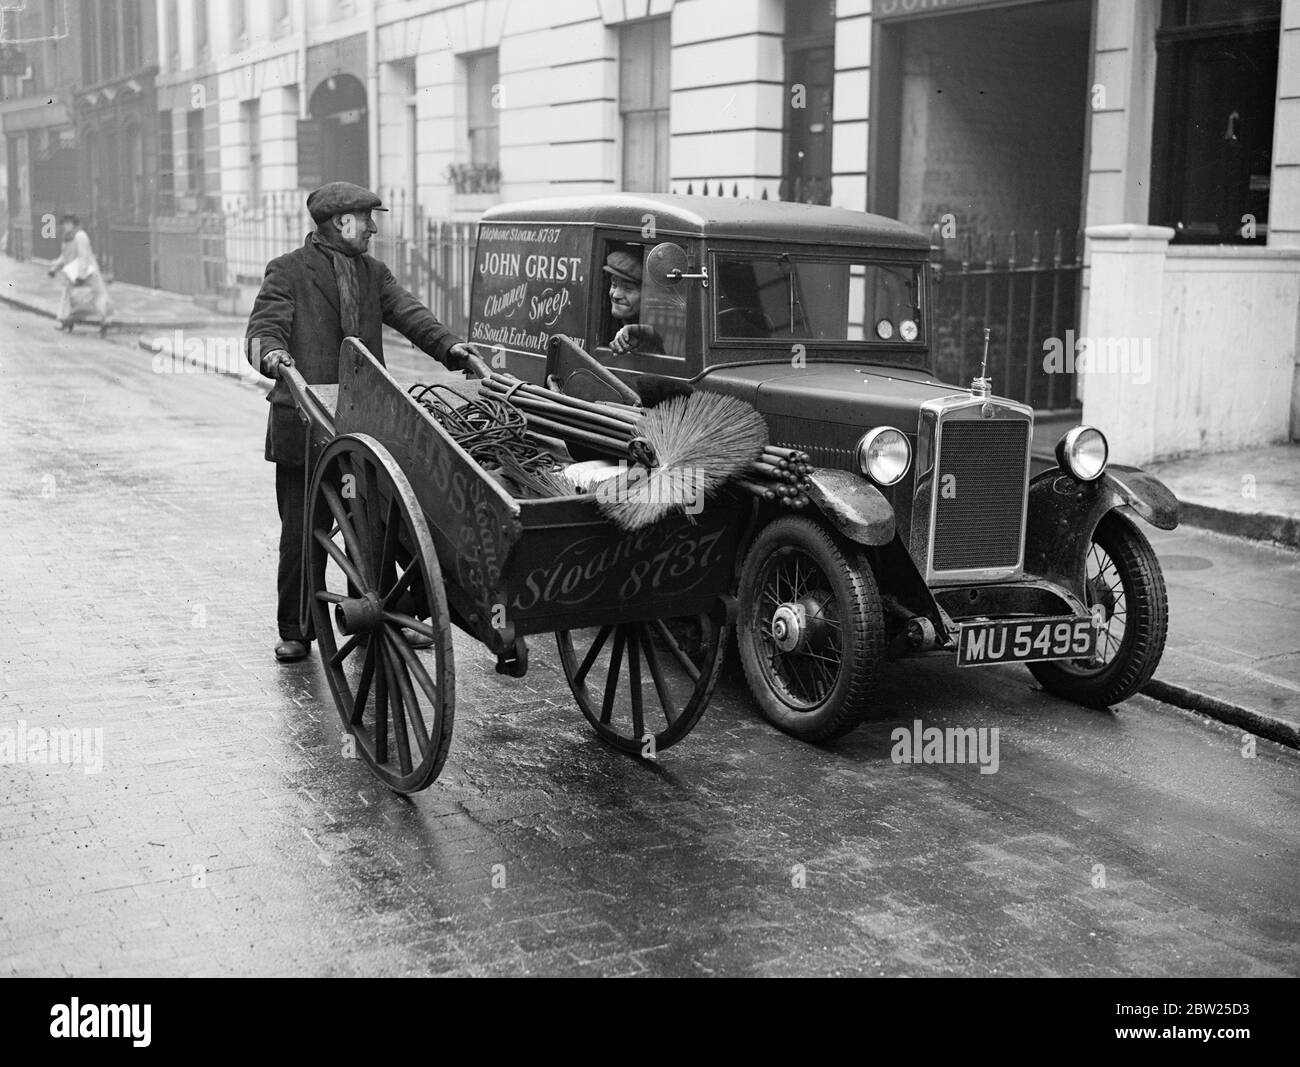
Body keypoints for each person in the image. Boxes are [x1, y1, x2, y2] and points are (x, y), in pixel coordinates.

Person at [245, 181, 479, 663]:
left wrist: (451, 348)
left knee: (371, 523)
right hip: (304, 427)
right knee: (302, 533)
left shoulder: (373, 274)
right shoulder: (288, 272)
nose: (374, 227)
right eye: (367, 218)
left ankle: (380, 612)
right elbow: (262, 329)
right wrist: (274, 356)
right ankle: (296, 629)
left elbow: (411, 315)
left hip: (362, 423)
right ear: (339, 222)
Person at [47, 215, 115, 337]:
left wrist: (81, 274)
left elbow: (84, 256)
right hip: (73, 273)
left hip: (87, 273)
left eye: (69, 223)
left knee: (96, 297)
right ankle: (66, 322)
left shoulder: (80, 236)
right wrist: (54, 268)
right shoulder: (68, 237)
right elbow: (64, 256)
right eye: (64, 223)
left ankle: (106, 322)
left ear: (74, 224)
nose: (66, 226)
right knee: (69, 298)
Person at [603, 247, 663, 356]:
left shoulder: (655, 334)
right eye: (614, 285)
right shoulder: (606, 324)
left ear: (649, 295)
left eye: (628, 288)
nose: (616, 295)